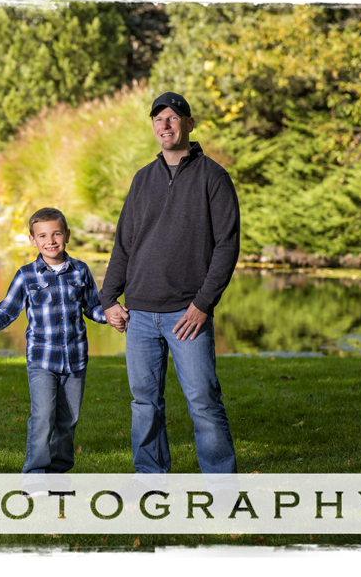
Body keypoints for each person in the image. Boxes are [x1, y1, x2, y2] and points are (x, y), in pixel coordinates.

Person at [100, 92, 240, 474]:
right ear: (152, 126)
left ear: (189, 124)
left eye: (173, 117)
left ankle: (220, 484)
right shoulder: (143, 179)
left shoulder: (213, 177)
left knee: (203, 402)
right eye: (158, 118)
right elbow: (125, 242)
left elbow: (227, 245)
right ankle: (151, 480)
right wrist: (109, 297)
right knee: (145, 404)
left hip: (186, 313)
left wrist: (203, 304)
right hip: (140, 314)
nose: (165, 124)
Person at [0, 208, 107, 474]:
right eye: (42, 235)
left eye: (56, 233)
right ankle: (35, 475)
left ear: (67, 235)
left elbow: (92, 307)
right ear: (33, 240)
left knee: (68, 421)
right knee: (43, 418)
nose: (51, 241)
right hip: (42, 360)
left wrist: (112, 317)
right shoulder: (27, 275)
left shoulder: (80, 271)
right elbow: (7, 311)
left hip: (76, 359)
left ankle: (59, 472)